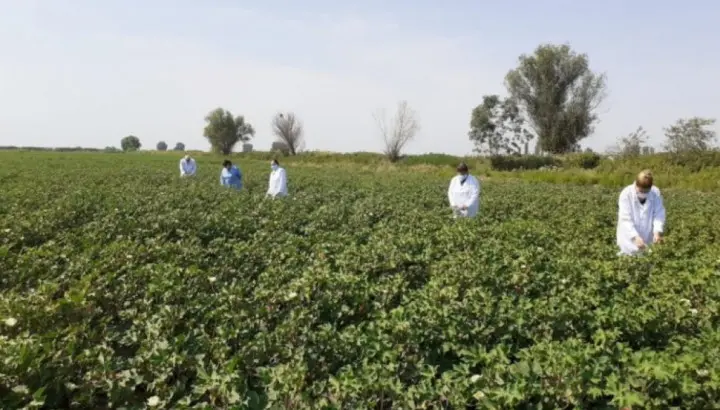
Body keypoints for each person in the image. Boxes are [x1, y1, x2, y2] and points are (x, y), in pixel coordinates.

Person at [616, 169, 666, 256]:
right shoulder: (626, 194)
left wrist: (657, 232)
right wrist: (635, 236)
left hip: (647, 235)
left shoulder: (655, 193)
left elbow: (659, 214)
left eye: (646, 191)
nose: (643, 193)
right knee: (628, 260)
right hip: (629, 238)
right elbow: (625, 219)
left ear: (651, 187)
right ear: (636, 184)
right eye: (641, 191)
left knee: (647, 262)